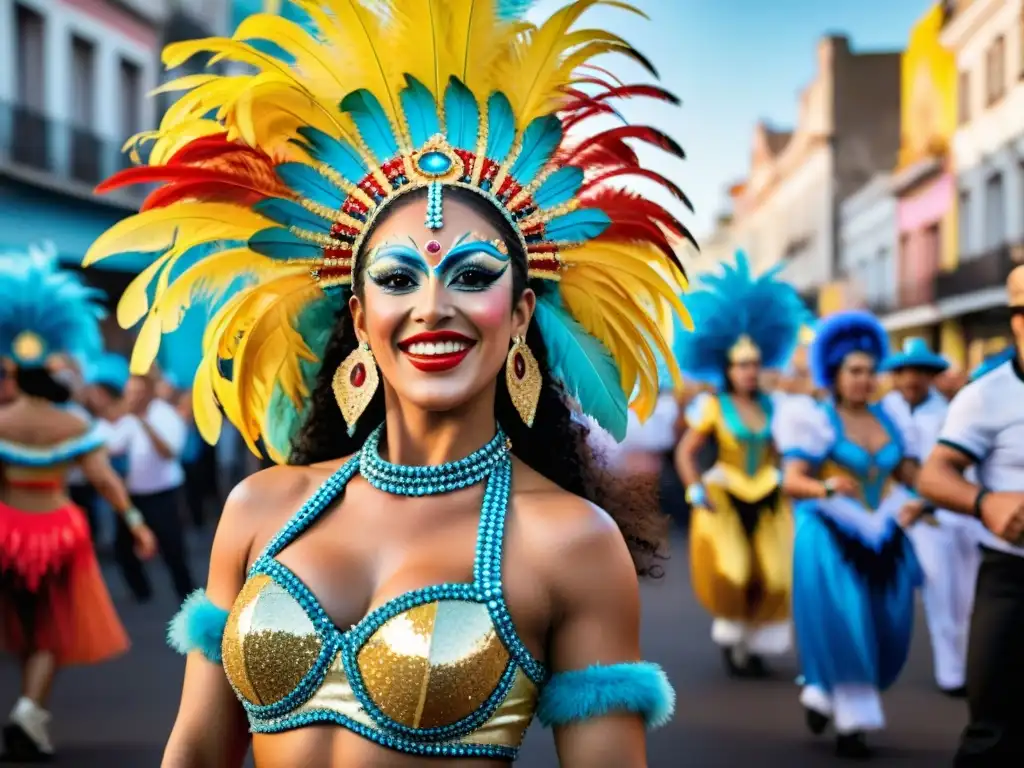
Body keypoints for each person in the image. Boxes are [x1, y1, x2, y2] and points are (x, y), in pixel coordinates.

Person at [85, 1, 692, 764]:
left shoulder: (570, 542)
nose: (432, 307)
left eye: (472, 276)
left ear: (520, 315)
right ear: (362, 316)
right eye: (398, 277)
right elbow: (197, 750)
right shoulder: (260, 508)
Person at [0, 246, 156, 761]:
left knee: (19, 623)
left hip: (6, 529)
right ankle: (30, 710)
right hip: (57, 530)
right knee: (48, 631)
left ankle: (29, 711)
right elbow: (104, 480)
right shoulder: (74, 425)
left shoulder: (3, 422)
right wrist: (135, 522)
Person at [773, 310, 925, 760]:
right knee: (848, 621)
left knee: (890, 625)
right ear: (835, 375)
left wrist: (921, 497)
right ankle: (851, 720)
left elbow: (913, 473)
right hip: (831, 535)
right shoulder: (815, 420)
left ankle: (820, 689)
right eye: (853, 371)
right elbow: (790, 479)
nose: (863, 380)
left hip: (886, 534)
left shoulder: (892, 418)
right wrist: (824, 486)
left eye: (869, 371)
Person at [673, 253, 807, 677]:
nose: (750, 371)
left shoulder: (774, 405)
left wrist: (793, 479)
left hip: (768, 494)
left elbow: (786, 452)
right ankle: (735, 639)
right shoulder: (714, 406)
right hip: (726, 495)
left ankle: (756, 644)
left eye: (754, 364)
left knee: (775, 574)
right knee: (734, 570)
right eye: (742, 365)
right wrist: (694, 488)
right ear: (727, 368)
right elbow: (686, 451)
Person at [918, 266, 1024, 766]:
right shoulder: (985, 395)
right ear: (1016, 321)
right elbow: (934, 476)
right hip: (1012, 577)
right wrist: (987, 502)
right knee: (992, 733)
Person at [880, 338, 976, 697]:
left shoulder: (948, 413)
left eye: (919, 372)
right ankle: (950, 672)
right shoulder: (885, 410)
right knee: (935, 591)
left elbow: (956, 468)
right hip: (902, 513)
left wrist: (928, 501)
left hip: (947, 514)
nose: (911, 379)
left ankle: (959, 668)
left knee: (959, 597)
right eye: (904, 372)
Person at [115, 370, 195, 603]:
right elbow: (113, 444)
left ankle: (187, 596)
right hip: (134, 497)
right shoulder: (127, 417)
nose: (131, 397)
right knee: (123, 548)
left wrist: (143, 422)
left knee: (173, 549)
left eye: (137, 392)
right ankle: (141, 593)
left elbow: (169, 452)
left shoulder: (165, 415)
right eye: (128, 392)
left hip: (163, 495)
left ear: (149, 393)